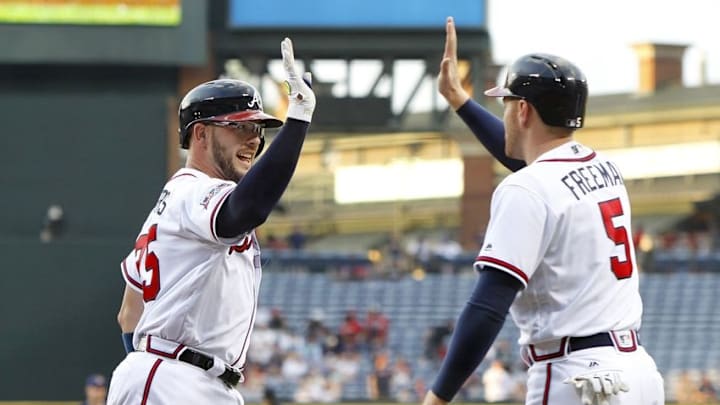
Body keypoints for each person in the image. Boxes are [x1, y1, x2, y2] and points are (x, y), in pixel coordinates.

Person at [422, 17, 664, 405]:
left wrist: (438, 396)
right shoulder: (603, 166)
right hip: (637, 373)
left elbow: (488, 306)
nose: (503, 114)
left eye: (506, 104)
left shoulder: (526, 189)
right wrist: (460, 101)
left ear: (522, 111)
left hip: (576, 378)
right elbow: (538, 173)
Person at [107, 37, 316, 404]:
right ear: (200, 133)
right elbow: (246, 209)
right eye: (240, 127)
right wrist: (297, 122)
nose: (253, 139)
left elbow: (129, 314)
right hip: (174, 377)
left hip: (191, 379)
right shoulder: (193, 191)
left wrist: (143, 366)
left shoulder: (174, 204)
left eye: (258, 130)